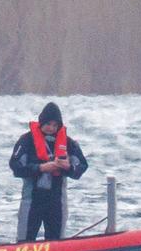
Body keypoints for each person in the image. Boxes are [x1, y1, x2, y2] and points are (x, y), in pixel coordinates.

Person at [9, 102, 89, 242]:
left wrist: (68, 167)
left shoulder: (69, 143)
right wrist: (41, 168)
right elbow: (15, 167)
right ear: (41, 123)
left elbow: (81, 167)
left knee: (57, 240)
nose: (51, 128)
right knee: (24, 240)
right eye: (48, 124)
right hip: (32, 200)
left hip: (57, 200)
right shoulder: (26, 141)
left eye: (55, 125)